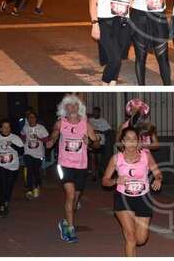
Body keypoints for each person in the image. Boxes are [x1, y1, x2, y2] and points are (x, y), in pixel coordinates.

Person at [46, 94, 99, 243]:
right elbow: (55, 135)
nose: (73, 107)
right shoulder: (60, 123)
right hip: (65, 164)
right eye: (69, 105)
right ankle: (70, 230)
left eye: (75, 105)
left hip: (81, 166)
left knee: (75, 201)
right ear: (64, 109)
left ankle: (65, 223)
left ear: (79, 108)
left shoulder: (85, 125)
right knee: (69, 195)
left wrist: (90, 142)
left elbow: (97, 144)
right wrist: (51, 141)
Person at [103, 126, 162, 257]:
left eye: (134, 139)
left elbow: (157, 172)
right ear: (123, 142)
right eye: (128, 139)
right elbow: (105, 181)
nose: (131, 142)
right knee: (131, 237)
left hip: (143, 198)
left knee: (141, 239)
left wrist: (158, 179)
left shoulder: (146, 156)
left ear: (138, 141)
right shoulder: (116, 159)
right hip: (123, 198)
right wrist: (115, 181)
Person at [126, 0, 173, 85]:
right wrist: (130, 2)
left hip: (158, 18)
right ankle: (142, 88)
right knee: (141, 57)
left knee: (163, 57)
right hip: (139, 18)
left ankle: (168, 87)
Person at [88, 0, 131, 86]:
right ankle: (104, 84)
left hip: (124, 23)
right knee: (115, 59)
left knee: (117, 61)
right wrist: (94, 23)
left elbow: (129, 3)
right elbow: (93, 0)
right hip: (106, 22)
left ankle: (111, 85)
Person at [0, 119, 24, 217]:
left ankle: (6, 200)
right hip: (0, 165)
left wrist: (12, 144)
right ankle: (2, 206)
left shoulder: (15, 138)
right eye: (4, 127)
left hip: (13, 167)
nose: (6, 129)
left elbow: (21, 151)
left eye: (8, 127)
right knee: (3, 185)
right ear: (0, 129)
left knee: (9, 186)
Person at [20, 110, 48, 199]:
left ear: (36, 119)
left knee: (36, 171)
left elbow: (46, 139)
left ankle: (37, 185)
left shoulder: (41, 128)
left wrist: (38, 138)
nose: (31, 119)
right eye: (29, 118)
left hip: (38, 153)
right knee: (29, 170)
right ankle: (29, 190)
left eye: (32, 117)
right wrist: (23, 140)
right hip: (28, 152)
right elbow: (22, 135)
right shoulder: (25, 127)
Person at [88, 107, 111, 180]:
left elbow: (109, 131)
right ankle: (94, 174)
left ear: (99, 112)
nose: (95, 113)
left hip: (101, 143)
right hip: (92, 142)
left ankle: (100, 172)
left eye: (96, 112)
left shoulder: (103, 121)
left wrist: (99, 132)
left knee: (99, 159)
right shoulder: (90, 120)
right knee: (92, 158)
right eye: (94, 112)